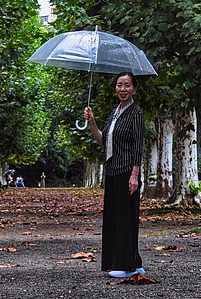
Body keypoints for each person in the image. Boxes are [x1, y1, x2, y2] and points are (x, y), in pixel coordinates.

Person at [83, 71, 145, 279]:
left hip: (127, 172)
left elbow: (138, 147)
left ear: (134, 89)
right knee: (114, 219)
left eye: (127, 85)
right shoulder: (115, 113)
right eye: (119, 85)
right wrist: (92, 122)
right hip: (112, 171)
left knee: (125, 219)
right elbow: (103, 141)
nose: (122, 89)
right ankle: (132, 262)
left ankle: (125, 265)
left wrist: (134, 175)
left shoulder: (136, 114)